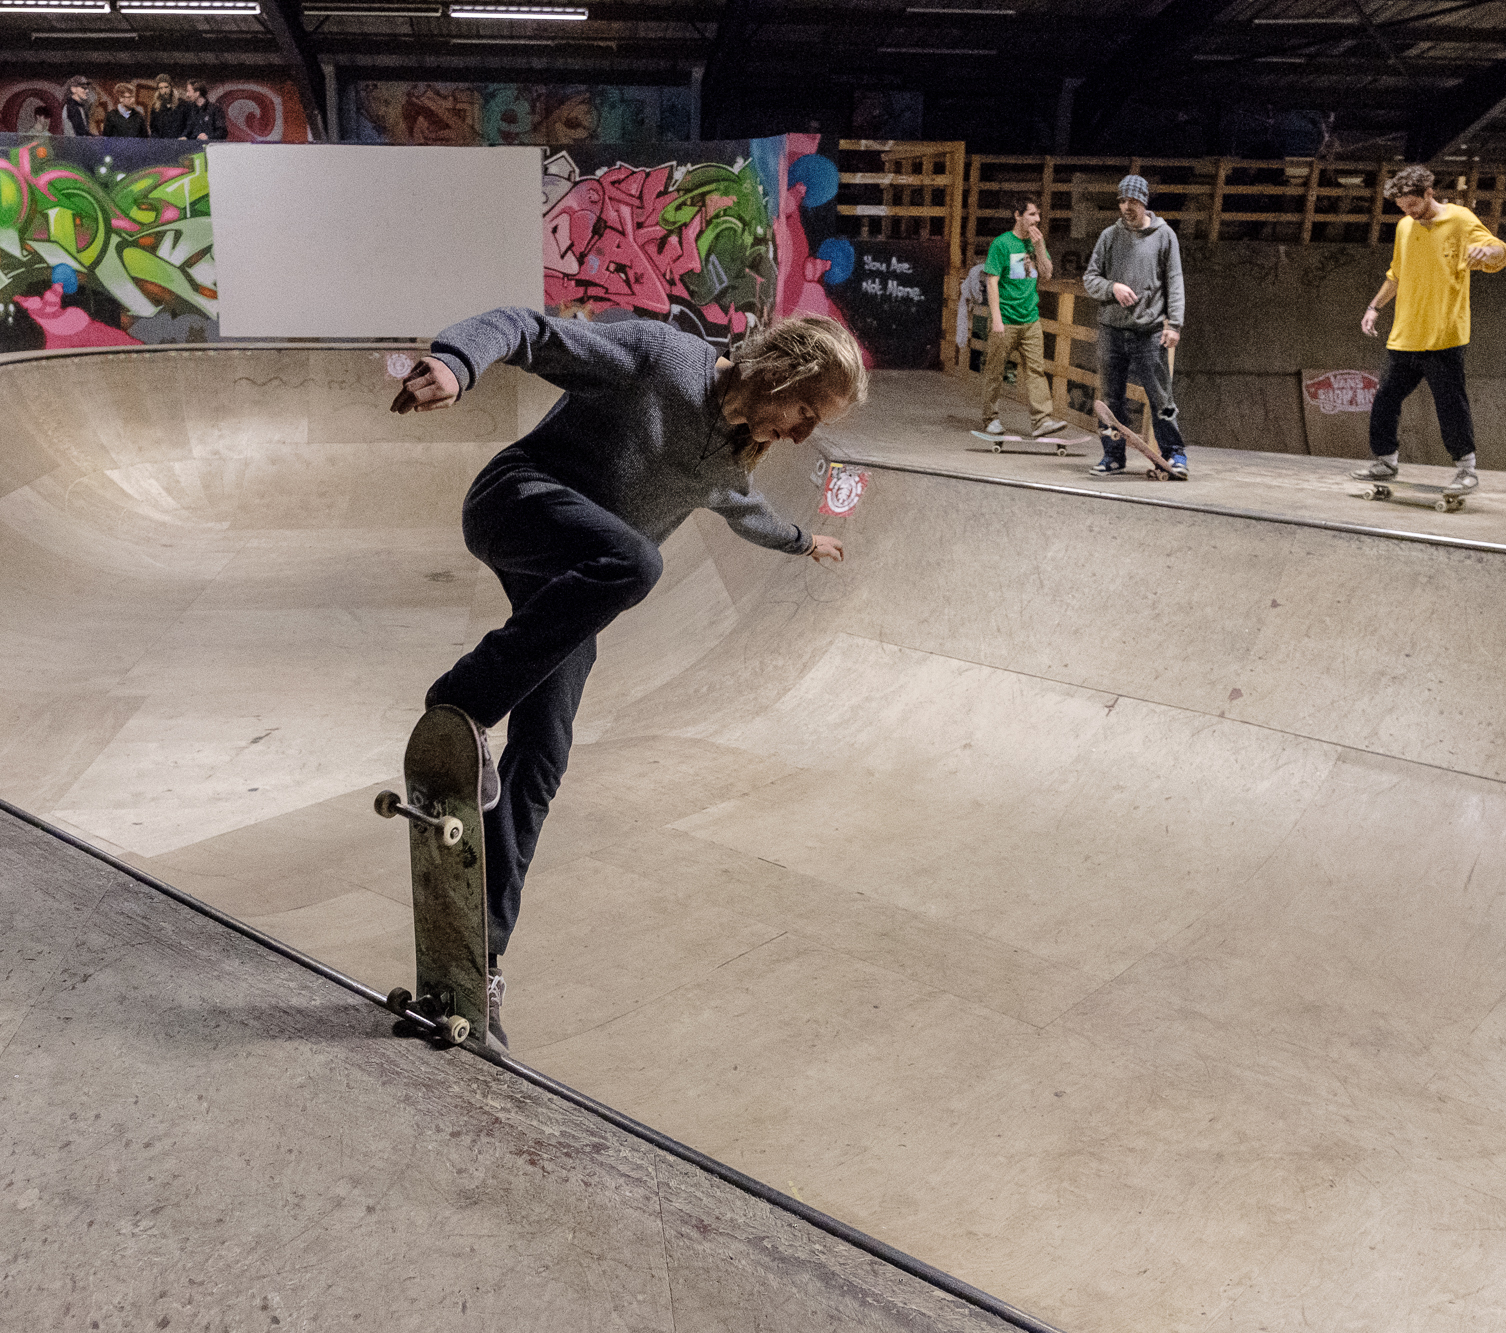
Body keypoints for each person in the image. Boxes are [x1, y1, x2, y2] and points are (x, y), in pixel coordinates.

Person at [388, 311, 865, 1048]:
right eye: (805, 411)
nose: (802, 434)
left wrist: (806, 541)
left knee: (543, 754)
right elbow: (527, 329)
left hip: (566, 578)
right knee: (638, 561)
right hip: (514, 504)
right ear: (784, 371)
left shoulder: (726, 459)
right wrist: (458, 362)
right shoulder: (656, 358)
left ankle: (479, 955)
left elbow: (749, 513)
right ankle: (464, 698)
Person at [1352, 164, 1506, 496]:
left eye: (1412, 204)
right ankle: (1385, 461)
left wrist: (1488, 251)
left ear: (1428, 193)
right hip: (1406, 334)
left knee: (1449, 403)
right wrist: (1373, 307)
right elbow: (1396, 274)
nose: (1408, 212)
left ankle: (1466, 471)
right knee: (1385, 398)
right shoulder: (1404, 228)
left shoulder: (1460, 219)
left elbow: (1500, 250)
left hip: (1444, 335)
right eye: (1402, 208)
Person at [1082, 174, 1187, 476]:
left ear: (1144, 202)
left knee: (1160, 396)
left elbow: (1174, 282)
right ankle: (1113, 456)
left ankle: (1175, 453)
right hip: (1112, 330)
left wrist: (1174, 324)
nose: (1126, 207)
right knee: (1111, 397)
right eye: (1122, 201)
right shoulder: (1109, 236)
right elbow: (1090, 278)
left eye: (1133, 201)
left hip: (1149, 331)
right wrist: (1112, 287)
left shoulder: (1164, 235)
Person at [980, 193, 1065, 438]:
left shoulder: (1036, 243)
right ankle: (991, 418)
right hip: (1006, 318)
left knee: (1036, 370)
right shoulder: (1002, 243)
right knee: (995, 370)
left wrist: (1039, 247)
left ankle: (1042, 420)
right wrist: (996, 319)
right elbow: (992, 281)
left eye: (1038, 215)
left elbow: (1047, 274)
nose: (1036, 219)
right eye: (1031, 214)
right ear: (1017, 216)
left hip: (1030, 319)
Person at [148, 73, 191, 139]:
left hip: (178, 143)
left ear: (171, 87)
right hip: (162, 144)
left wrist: (184, 136)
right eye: (161, 88)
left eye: (166, 87)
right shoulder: (156, 107)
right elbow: (153, 129)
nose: (164, 91)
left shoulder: (182, 105)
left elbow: (188, 124)